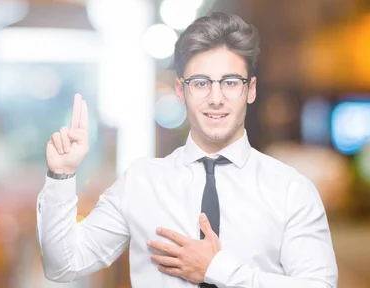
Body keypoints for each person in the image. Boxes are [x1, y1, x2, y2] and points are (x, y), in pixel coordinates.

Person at [36, 12, 338, 288]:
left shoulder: (290, 189)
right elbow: (63, 265)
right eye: (201, 83)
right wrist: (60, 177)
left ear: (251, 89)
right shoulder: (141, 182)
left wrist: (218, 269)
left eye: (231, 82)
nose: (216, 98)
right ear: (181, 91)